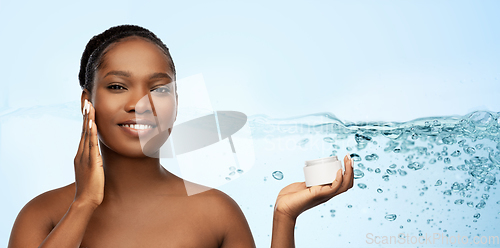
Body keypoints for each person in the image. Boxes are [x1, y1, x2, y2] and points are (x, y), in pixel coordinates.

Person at [7, 24, 354, 248]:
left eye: (159, 89)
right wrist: (83, 205)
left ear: (176, 103)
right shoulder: (42, 215)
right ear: (88, 102)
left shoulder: (216, 212)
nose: (140, 104)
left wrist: (284, 219)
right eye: (117, 86)